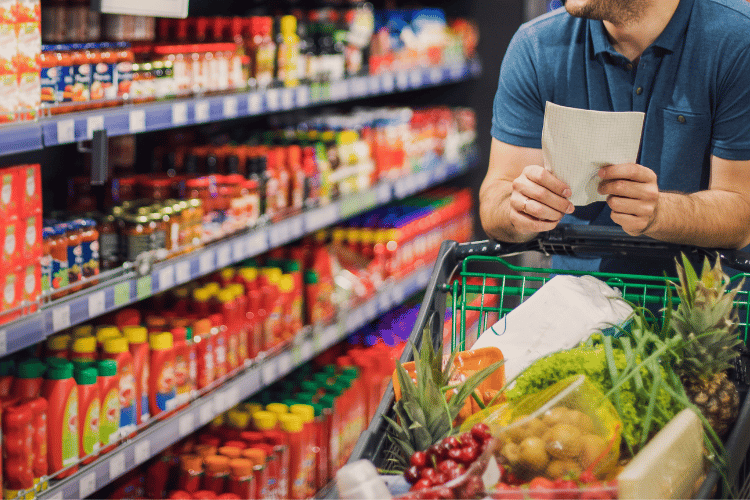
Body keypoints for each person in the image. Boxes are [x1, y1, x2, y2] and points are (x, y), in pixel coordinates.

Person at [479, 0, 750, 274]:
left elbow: (743, 212)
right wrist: (519, 209)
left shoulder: (737, 39)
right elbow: (495, 199)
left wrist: (661, 212)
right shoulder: (536, 46)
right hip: (576, 303)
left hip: (699, 306)